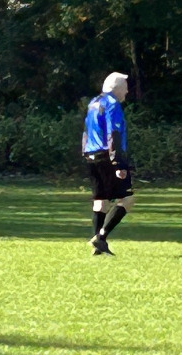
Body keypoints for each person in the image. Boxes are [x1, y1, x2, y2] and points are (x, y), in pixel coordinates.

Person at [82, 72, 135, 256]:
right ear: (116, 88)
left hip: (91, 155)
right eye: (125, 88)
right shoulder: (113, 104)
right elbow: (114, 134)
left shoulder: (93, 103)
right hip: (107, 156)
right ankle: (101, 236)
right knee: (127, 199)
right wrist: (118, 163)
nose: (127, 92)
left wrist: (85, 152)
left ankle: (99, 246)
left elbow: (86, 130)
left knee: (100, 201)